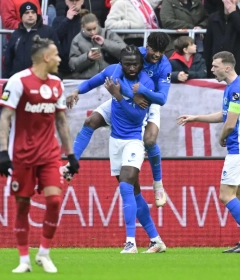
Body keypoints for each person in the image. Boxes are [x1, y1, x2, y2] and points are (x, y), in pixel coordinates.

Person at [0, 35, 80, 273]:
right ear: (45, 57)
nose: (59, 58)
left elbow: (61, 121)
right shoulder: (18, 81)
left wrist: (71, 154)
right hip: (22, 155)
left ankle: (44, 253)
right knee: (22, 206)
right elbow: (5, 117)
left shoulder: (57, 84)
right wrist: (4, 152)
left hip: (49, 155)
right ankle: (24, 259)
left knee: (54, 200)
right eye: (56, 55)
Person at [65, 32, 171, 208]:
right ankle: (71, 164)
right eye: (154, 50)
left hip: (147, 102)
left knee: (150, 140)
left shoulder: (164, 67)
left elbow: (162, 99)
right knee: (91, 121)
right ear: (147, 46)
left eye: (161, 51)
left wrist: (141, 93)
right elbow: (112, 78)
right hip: (122, 98)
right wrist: (77, 91)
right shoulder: (134, 55)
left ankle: (158, 184)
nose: (157, 55)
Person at [177, 51, 240, 253]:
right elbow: (225, 115)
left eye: (215, 66)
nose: (212, 69)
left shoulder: (236, 89)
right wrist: (196, 117)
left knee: (225, 195)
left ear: (227, 67)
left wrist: (222, 137)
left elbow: (230, 124)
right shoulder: (235, 86)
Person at [101, 45, 167, 253]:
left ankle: (130, 242)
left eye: (135, 64)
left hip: (134, 140)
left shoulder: (144, 82)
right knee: (134, 194)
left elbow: (138, 116)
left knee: (126, 187)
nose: (131, 67)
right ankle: (156, 240)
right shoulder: (116, 77)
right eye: (127, 64)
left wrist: (119, 96)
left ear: (141, 65)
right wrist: (77, 90)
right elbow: (95, 80)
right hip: (115, 142)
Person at [68, 11, 126, 79]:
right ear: (82, 27)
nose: (92, 32)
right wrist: (87, 58)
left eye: (94, 28)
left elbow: (124, 51)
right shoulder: (77, 40)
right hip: (87, 79)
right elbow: (73, 65)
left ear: (97, 24)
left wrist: (104, 43)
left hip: (110, 77)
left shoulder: (108, 33)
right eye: (89, 30)